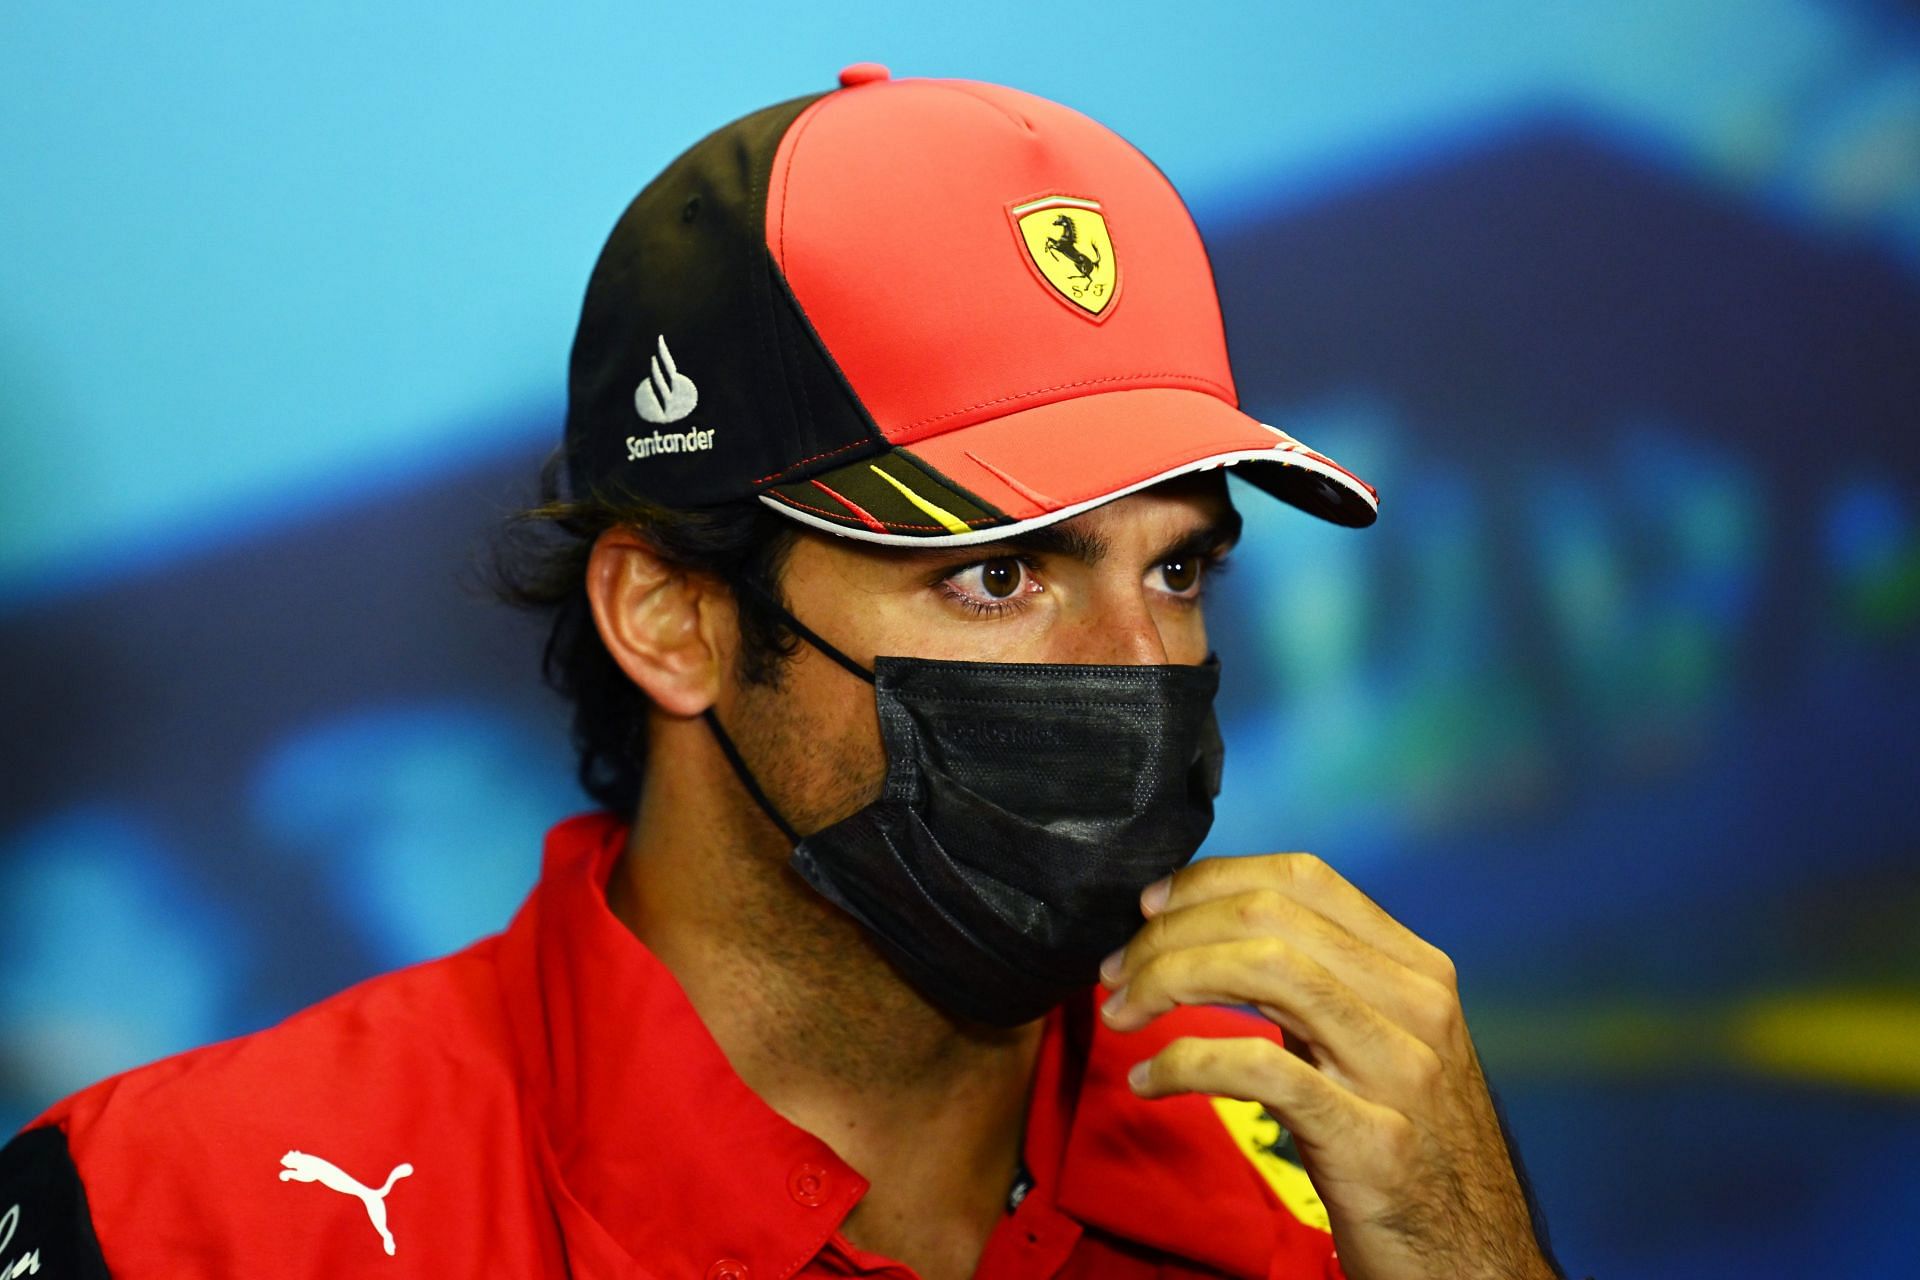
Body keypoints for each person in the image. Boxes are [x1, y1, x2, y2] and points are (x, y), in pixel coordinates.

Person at [0, 65, 1573, 1280]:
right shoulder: (185, 1223)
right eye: (1001, 574)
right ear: (671, 619)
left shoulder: (1319, 1174)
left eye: (1176, 568)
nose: (1137, 671)